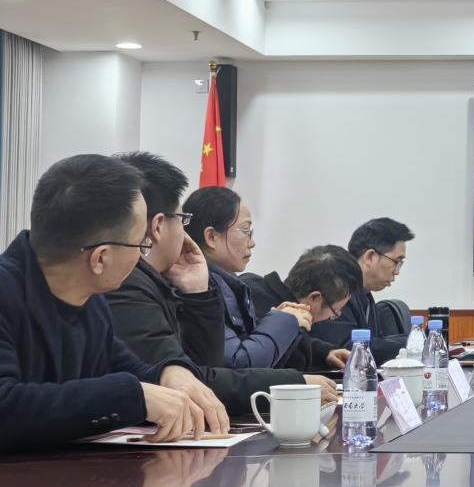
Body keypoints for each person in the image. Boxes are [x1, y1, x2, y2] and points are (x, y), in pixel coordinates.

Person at [0, 154, 229, 451]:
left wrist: (169, 373)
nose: (142, 255)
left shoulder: (91, 299)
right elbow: (7, 406)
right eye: (141, 244)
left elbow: (122, 365)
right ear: (100, 258)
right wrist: (134, 397)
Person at [104, 153, 336, 413]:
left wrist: (198, 293)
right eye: (181, 219)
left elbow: (203, 371)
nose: (252, 243)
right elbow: (197, 382)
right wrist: (293, 383)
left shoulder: (168, 281)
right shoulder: (127, 286)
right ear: (158, 225)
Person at [182, 186, 307, 370]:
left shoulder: (227, 282)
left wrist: (277, 320)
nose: (252, 242)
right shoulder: (200, 288)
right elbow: (238, 364)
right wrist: (282, 321)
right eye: (246, 230)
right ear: (211, 236)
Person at [243, 246, 364, 373]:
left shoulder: (267, 293)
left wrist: (326, 353)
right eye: (335, 312)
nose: (331, 317)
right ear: (315, 298)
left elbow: (298, 343)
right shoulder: (252, 303)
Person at [310, 217, 414, 363]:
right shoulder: (337, 289)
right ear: (370, 257)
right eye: (396, 262)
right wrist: (413, 343)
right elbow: (347, 350)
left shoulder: (365, 294)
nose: (397, 272)